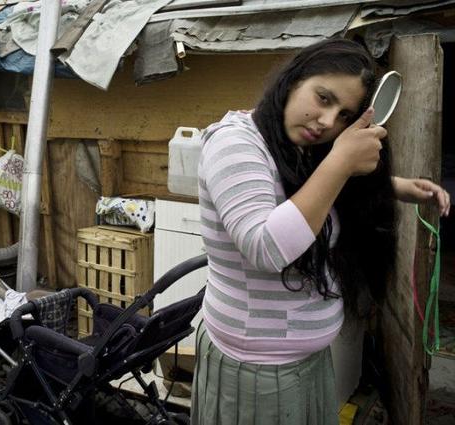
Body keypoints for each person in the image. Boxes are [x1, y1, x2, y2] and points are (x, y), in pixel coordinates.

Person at [191, 38, 450, 425]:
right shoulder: (234, 144)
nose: (329, 122)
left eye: (345, 115)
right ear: (292, 80)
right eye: (323, 98)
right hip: (258, 372)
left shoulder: (297, 146)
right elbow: (266, 247)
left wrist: (395, 186)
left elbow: (304, 191)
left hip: (302, 365)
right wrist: (341, 162)